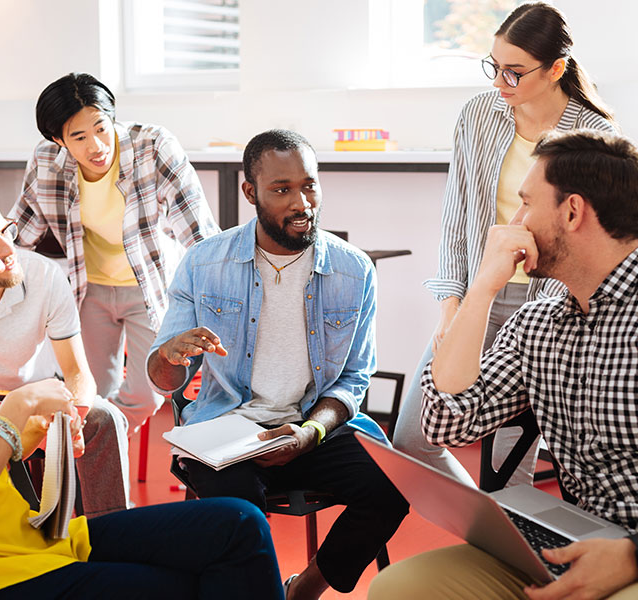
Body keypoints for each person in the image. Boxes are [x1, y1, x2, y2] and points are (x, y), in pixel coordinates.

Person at [0, 178, 284, 599]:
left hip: (17, 547)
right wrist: (17, 409)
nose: (7, 253)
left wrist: (24, 437)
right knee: (198, 577)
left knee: (238, 522)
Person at [370, 129, 638, 599]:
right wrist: (482, 289)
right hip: (570, 541)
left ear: (572, 212)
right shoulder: (538, 323)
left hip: (629, 557)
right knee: (399, 589)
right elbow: (444, 423)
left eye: (526, 204)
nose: (512, 223)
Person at [147, 130, 409, 600]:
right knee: (241, 518)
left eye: (309, 185)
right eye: (282, 189)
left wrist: (311, 431)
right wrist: (169, 356)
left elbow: (353, 378)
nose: (301, 202)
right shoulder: (204, 263)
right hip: (228, 429)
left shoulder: (354, 271)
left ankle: (303, 590)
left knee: (394, 486)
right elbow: (166, 377)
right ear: (251, 193)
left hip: (311, 428)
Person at [394, 1, 618, 488]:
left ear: (556, 69)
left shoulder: (593, 137)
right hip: (480, 294)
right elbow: (456, 216)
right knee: (412, 439)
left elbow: (592, 244)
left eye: (514, 72)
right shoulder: (479, 115)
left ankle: (503, 545)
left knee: (508, 469)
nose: (499, 82)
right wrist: (451, 306)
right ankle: (483, 521)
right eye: (493, 67)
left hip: (545, 307)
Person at [10, 72, 220, 434]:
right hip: (89, 290)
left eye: (101, 128)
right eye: (79, 137)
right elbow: (20, 231)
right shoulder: (46, 161)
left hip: (150, 290)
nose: (96, 146)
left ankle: (97, 441)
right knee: (90, 394)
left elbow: (198, 232)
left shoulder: (153, 145)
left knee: (148, 392)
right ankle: (101, 479)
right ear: (58, 140)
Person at [0, 201, 130, 517]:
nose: (9, 249)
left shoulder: (43, 274)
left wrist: (76, 415)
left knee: (104, 417)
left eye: (8, 231)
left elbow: (77, 371)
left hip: (42, 403)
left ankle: (110, 531)